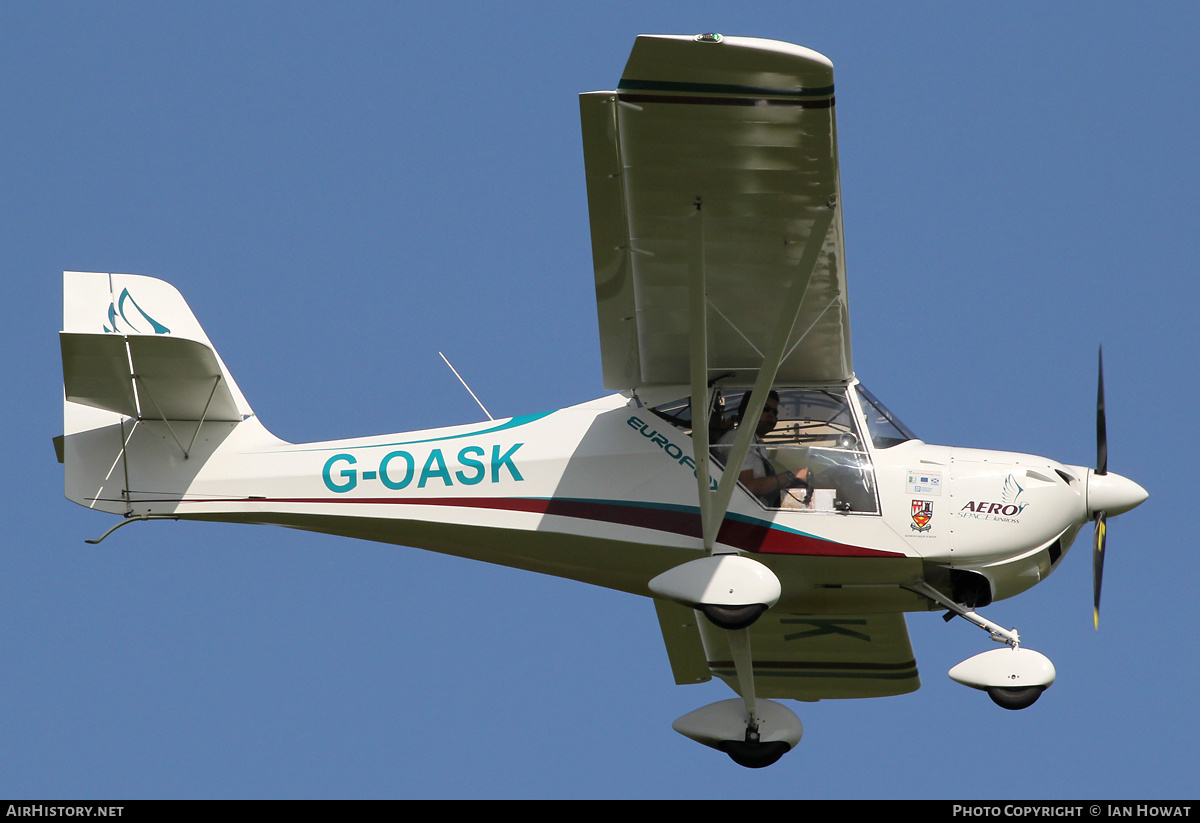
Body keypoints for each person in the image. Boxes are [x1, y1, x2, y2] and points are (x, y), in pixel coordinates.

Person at [716, 390, 810, 508]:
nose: (772, 415)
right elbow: (747, 487)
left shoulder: (754, 441)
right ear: (749, 411)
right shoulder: (738, 438)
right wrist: (792, 475)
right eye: (765, 409)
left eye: (774, 412)